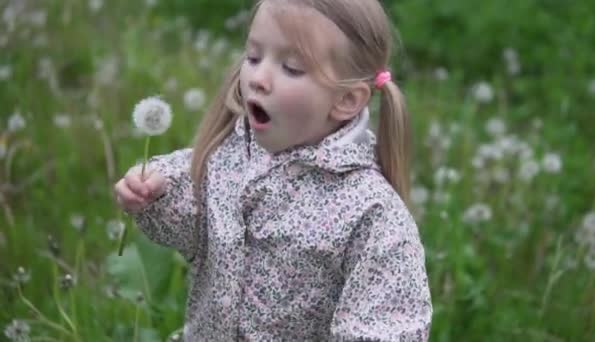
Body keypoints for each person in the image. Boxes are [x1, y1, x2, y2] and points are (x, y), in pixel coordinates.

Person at [114, 0, 432, 340]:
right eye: (253, 57)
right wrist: (156, 194)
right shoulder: (231, 154)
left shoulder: (371, 213)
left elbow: (385, 325)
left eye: (291, 68)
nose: (258, 78)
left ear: (346, 100)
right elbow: (195, 225)